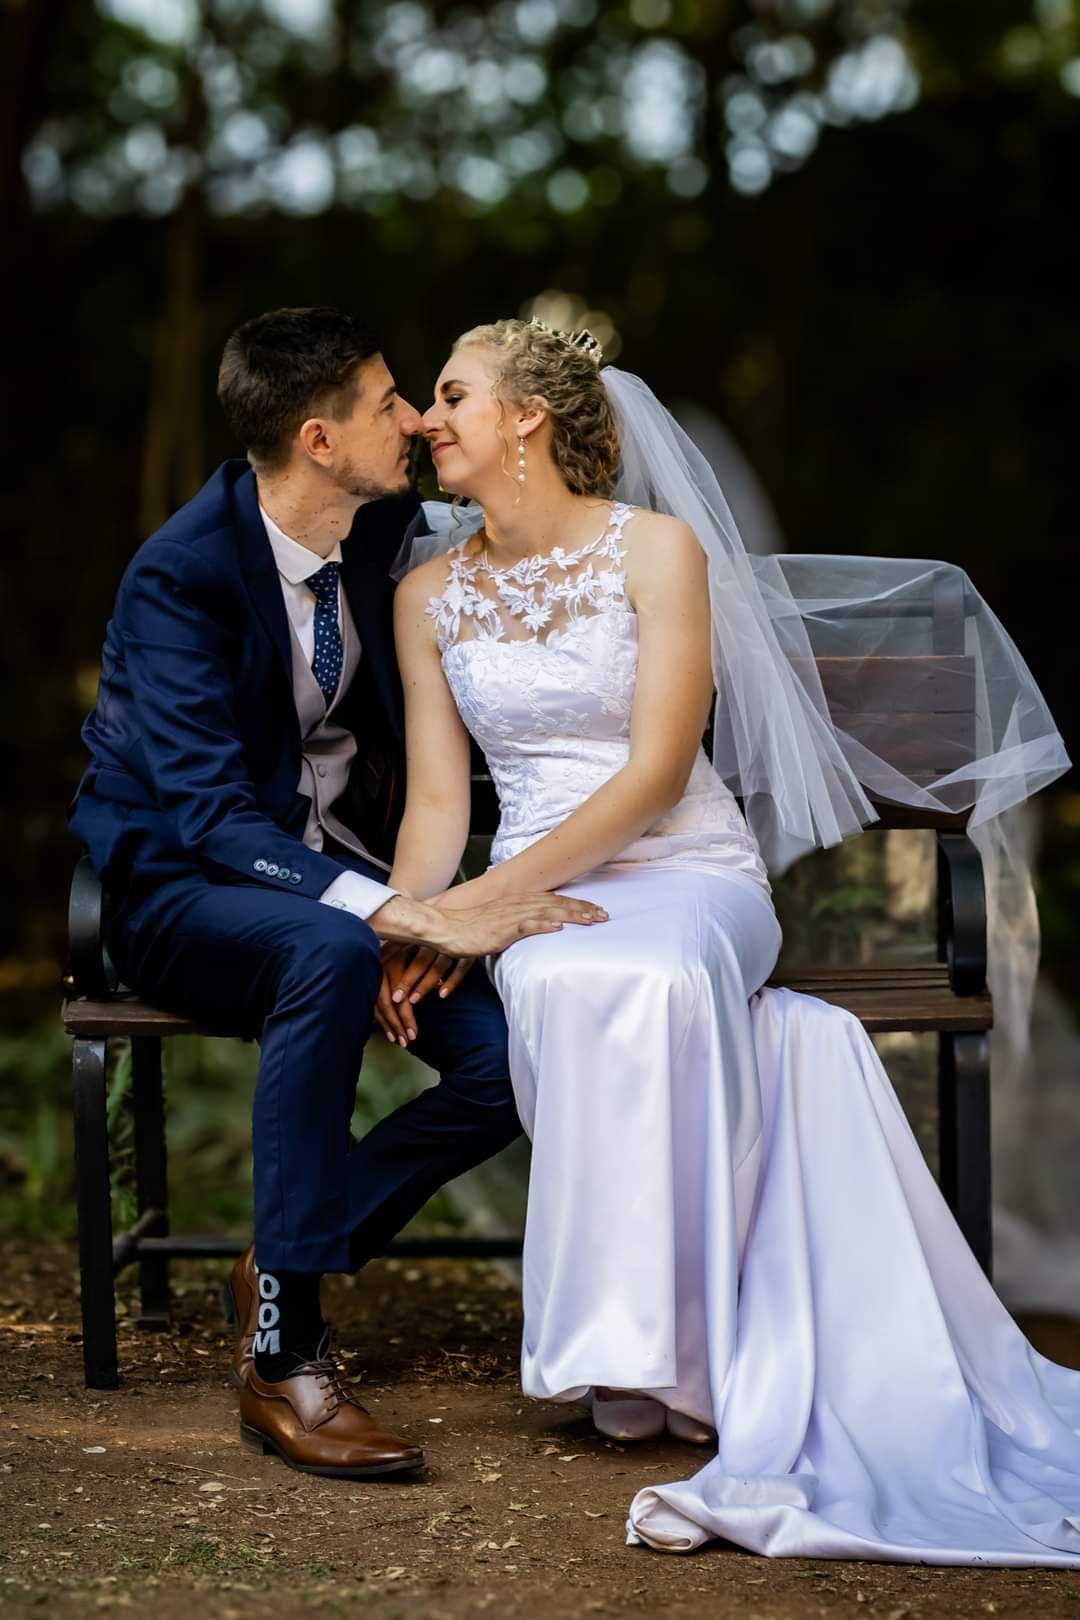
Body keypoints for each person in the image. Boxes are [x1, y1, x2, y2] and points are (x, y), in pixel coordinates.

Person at [387, 316, 1080, 1564]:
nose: (427, 419)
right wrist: (411, 920)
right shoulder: (427, 595)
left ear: (529, 418)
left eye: (450, 394)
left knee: (650, 970)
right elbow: (438, 802)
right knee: (576, 982)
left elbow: (657, 773)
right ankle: (619, 1357)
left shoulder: (659, 551)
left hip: (687, 870)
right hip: (537, 885)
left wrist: (481, 909)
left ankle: (698, 1360)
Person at [68, 306, 607, 1480]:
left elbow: (545, 531)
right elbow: (209, 819)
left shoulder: (383, 531)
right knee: (329, 954)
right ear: (318, 439)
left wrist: (393, 905)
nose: (415, 419)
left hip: (346, 887)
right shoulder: (179, 579)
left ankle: (288, 1254)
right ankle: (285, 1361)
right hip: (184, 892)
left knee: (515, 1049)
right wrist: (384, 915)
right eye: (387, 404)